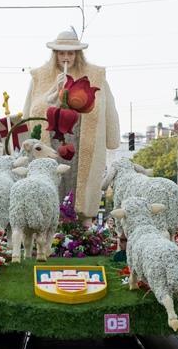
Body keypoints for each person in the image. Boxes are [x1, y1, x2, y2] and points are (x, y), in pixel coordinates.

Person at [23, 29, 120, 222]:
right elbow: (31, 112)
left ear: (78, 53)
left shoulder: (96, 75)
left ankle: (85, 223)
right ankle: (52, 221)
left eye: (70, 52)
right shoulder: (40, 76)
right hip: (52, 140)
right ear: (55, 54)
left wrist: (112, 137)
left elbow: (107, 106)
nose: (66, 57)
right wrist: (55, 90)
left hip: (83, 140)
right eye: (61, 53)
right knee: (54, 180)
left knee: (84, 186)